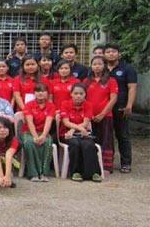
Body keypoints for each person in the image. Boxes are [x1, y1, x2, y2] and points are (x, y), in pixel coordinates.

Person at [104, 44, 137, 173]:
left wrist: (129, 105)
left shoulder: (127, 69)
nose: (111, 54)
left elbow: (132, 88)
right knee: (106, 136)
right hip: (104, 107)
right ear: (104, 54)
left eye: (113, 51)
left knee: (122, 135)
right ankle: (107, 163)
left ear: (119, 54)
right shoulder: (101, 68)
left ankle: (126, 163)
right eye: (108, 52)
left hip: (121, 106)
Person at [59, 84, 102, 182]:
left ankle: (94, 172)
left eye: (81, 94)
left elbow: (86, 122)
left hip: (82, 133)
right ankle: (75, 172)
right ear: (71, 94)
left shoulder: (88, 105)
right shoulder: (65, 104)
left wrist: (74, 129)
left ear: (85, 95)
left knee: (89, 145)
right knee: (75, 144)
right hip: (66, 133)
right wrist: (76, 129)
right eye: (76, 93)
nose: (78, 96)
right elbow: (66, 122)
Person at [85, 56, 118, 173]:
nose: (97, 66)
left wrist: (102, 114)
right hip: (89, 117)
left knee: (106, 140)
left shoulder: (111, 81)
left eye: (99, 64)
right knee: (90, 140)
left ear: (104, 66)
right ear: (91, 66)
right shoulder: (86, 81)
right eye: (94, 64)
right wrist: (88, 115)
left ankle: (106, 166)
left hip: (105, 116)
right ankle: (92, 164)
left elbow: (113, 99)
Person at [21, 83, 55, 182]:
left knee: (47, 143)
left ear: (47, 93)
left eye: (43, 91)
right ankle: (33, 173)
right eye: (38, 91)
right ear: (34, 93)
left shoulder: (51, 106)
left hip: (43, 131)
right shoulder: (29, 105)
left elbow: (48, 122)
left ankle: (43, 173)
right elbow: (29, 122)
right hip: (28, 132)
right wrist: (35, 136)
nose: (40, 93)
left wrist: (44, 135)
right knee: (30, 143)